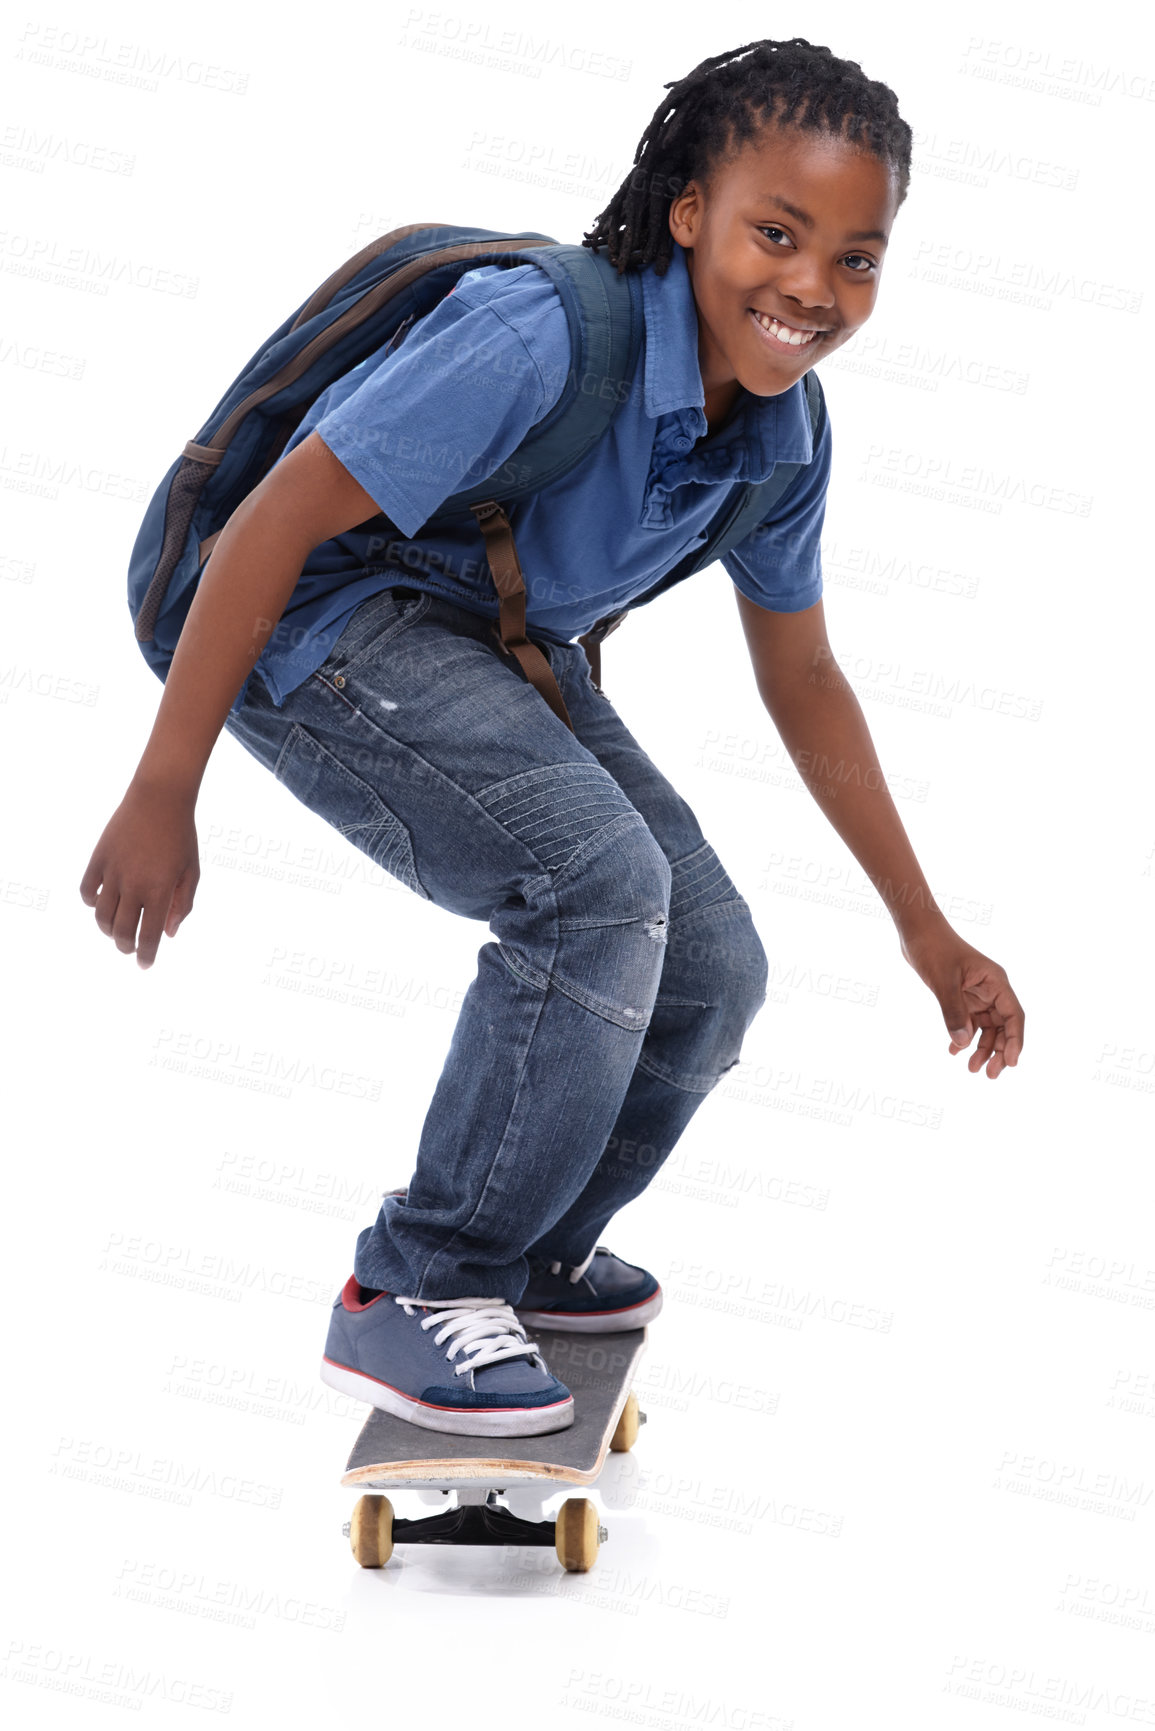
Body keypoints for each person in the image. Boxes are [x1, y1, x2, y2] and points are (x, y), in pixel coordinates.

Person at [79, 38, 1024, 1442]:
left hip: (483, 634)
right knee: (595, 890)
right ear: (689, 211)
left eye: (859, 258)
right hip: (305, 617)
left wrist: (925, 929)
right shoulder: (541, 335)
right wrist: (166, 784)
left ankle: (530, 1253)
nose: (813, 291)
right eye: (779, 232)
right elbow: (273, 524)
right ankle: (416, 1284)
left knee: (713, 968)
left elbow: (807, 675)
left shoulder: (784, 441)